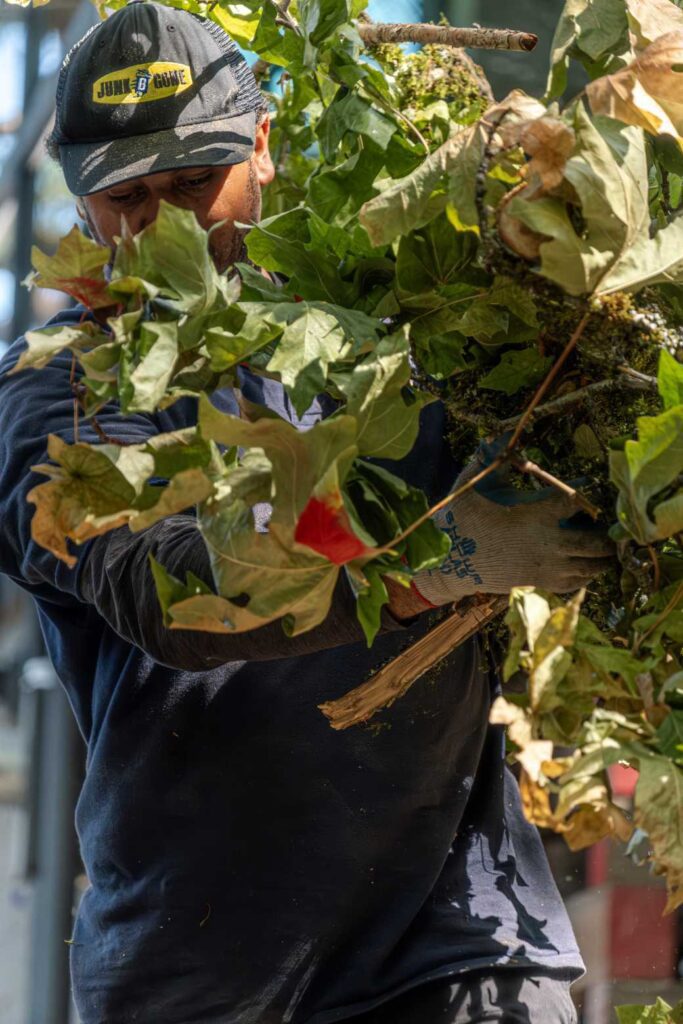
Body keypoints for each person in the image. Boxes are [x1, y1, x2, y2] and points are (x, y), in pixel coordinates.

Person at [0, 2, 613, 1021]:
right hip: (201, 968)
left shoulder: (408, 320)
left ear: (264, 145)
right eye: (125, 199)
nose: (163, 225)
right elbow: (165, 591)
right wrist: (431, 565)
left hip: (457, 934)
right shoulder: (57, 396)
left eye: (196, 181)